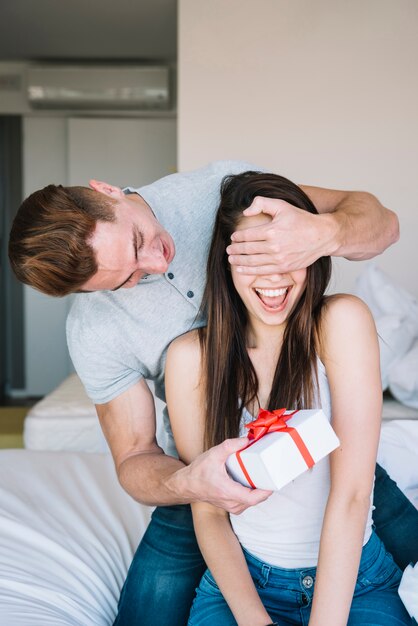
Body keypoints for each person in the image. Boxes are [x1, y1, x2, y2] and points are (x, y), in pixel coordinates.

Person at [7, 160, 416, 626]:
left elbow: (380, 222)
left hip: (328, 462)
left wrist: (322, 234)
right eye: (127, 280)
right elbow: (136, 457)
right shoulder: (99, 333)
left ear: (107, 190)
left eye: (139, 242)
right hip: (201, 466)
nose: (157, 264)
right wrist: (191, 481)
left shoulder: (227, 195)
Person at [165, 170, 413, 626]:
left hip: (354, 581)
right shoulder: (190, 359)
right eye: (254, 258)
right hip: (242, 585)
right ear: (224, 263)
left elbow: (353, 494)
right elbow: (209, 512)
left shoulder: (341, 322)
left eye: (286, 254)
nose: (274, 278)